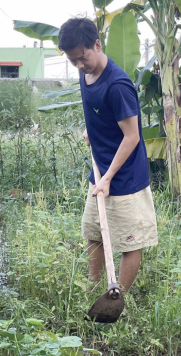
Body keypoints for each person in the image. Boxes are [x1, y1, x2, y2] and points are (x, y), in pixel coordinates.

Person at [58, 17, 158, 292]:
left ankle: (118, 301)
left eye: (82, 57)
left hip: (124, 176)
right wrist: (94, 130)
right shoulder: (84, 72)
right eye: (73, 61)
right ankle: (94, 287)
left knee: (129, 241)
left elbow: (132, 136)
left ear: (98, 45)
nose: (79, 65)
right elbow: (97, 109)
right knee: (93, 232)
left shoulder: (118, 86)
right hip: (101, 169)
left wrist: (110, 177)